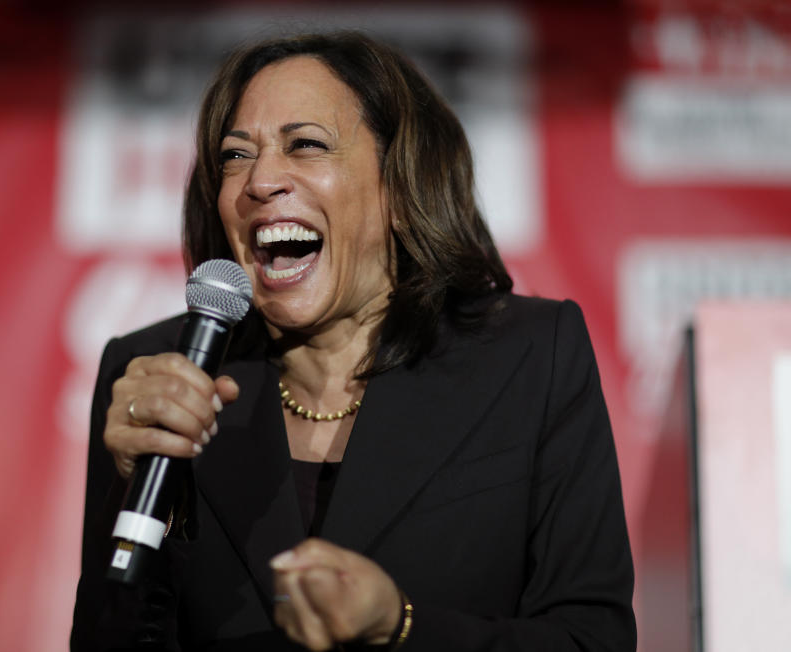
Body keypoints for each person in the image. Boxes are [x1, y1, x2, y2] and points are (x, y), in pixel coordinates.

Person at [71, 31, 635, 651]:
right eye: (235, 156)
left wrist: (400, 626)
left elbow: (592, 638)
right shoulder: (158, 375)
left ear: (400, 186)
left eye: (306, 145)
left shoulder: (531, 358)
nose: (259, 181)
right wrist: (133, 490)